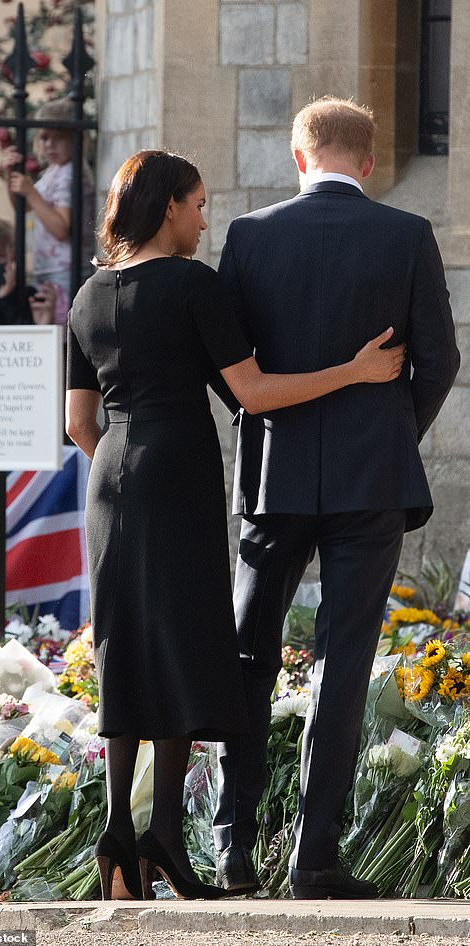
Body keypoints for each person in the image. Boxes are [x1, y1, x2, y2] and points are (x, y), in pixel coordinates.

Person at [65, 148, 405, 902]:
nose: (203, 219)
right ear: (168, 209)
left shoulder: (87, 294)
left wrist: (121, 468)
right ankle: (162, 843)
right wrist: (352, 371)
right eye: (196, 204)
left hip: (109, 478)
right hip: (177, 470)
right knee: (184, 643)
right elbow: (251, 393)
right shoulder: (192, 285)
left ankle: (119, 832)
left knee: (124, 642)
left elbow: (77, 422)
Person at [213, 96, 461, 900]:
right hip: (371, 483)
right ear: (369, 161)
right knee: (342, 665)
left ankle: (232, 845)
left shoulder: (249, 236)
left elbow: (230, 372)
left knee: (248, 655)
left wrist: (271, 422)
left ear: (297, 158)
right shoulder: (406, 235)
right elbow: (441, 358)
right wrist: (393, 429)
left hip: (274, 477)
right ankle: (315, 859)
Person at [3, 97, 95, 318]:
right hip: (49, 268)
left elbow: (61, 228)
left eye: (59, 138)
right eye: (44, 137)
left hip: (65, 271)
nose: (49, 145)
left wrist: (31, 193)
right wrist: (11, 178)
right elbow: (23, 207)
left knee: (61, 338)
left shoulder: (69, 175)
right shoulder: (54, 171)